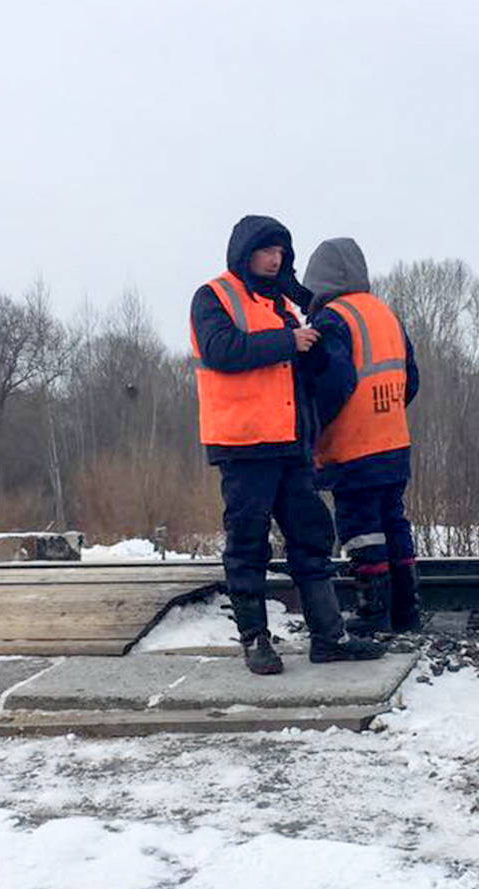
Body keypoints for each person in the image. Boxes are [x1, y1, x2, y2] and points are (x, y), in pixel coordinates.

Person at [190, 215, 386, 675]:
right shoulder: (213, 297)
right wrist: (289, 340)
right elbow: (222, 350)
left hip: (289, 445)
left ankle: (329, 636)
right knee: (248, 545)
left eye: (281, 251)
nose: (275, 258)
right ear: (246, 252)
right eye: (267, 250)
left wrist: (315, 345)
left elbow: (301, 364)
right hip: (243, 446)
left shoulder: (283, 304)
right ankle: (255, 640)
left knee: (311, 539)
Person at [301, 237, 421, 634]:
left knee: (360, 528)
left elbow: (334, 382)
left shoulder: (332, 320)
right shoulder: (385, 314)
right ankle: (407, 612)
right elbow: (412, 379)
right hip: (393, 442)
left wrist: (312, 429)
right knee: (393, 522)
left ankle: (374, 612)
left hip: (354, 447)